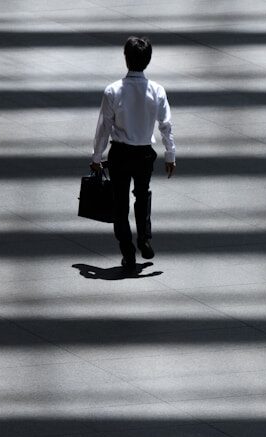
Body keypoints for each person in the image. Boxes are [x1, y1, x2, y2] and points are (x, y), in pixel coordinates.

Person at [90, 36, 176, 271]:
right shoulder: (157, 90)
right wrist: (170, 154)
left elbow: (103, 127)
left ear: (126, 58)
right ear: (148, 60)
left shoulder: (113, 91)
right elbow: (165, 125)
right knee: (143, 194)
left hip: (120, 152)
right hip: (144, 153)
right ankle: (144, 238)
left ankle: (127, 251)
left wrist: (97, 157)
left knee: (120, 202)